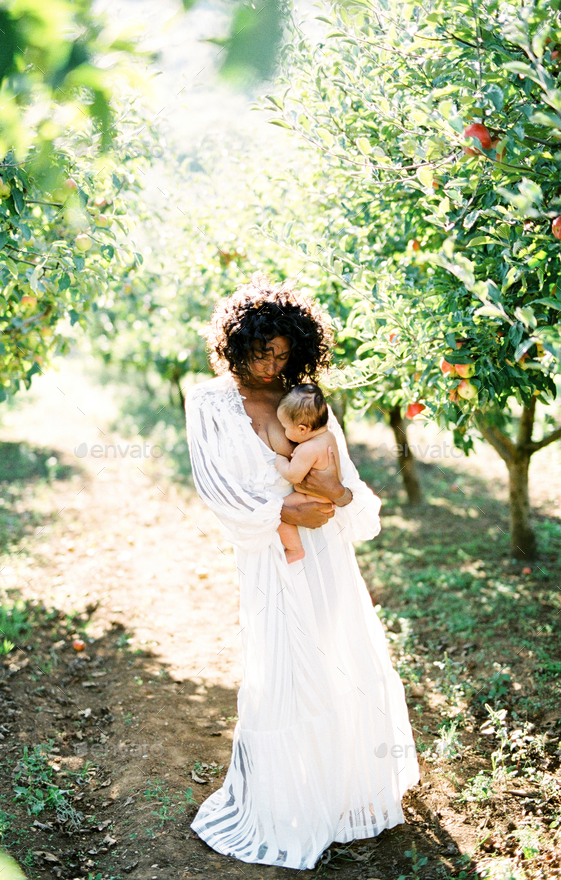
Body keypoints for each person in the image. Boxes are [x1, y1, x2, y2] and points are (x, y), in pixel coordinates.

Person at [185, 275, 419, 871]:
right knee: (284, 668)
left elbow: (343, 474)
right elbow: (216, 488)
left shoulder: (303, 399)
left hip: (326, 553)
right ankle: (289, 800)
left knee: (338, 653)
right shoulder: (209, 403)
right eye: (263, 351)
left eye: (285, 354)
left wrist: (336, 497)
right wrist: (281, 509)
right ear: (237, 345)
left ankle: (343, 797)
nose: (272, 365)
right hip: (269, 553)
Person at [273, 383, 343, 563]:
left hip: (314, 499)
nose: (284, 431)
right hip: (327, 496)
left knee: (277, 512)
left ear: (302, 429)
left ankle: (295, 549)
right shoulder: (327, 437)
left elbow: (293, 476)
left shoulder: (309, 448)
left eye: (285, 427)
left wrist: (280, 461)